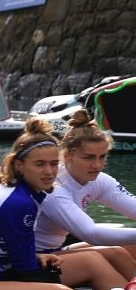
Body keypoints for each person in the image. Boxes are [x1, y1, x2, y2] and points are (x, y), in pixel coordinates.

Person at [0, 119, 123, 290]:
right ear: (19, 165)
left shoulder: (25, 193)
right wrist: (39, 265)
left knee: (98, 258)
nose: (49, 172)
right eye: (39, 164)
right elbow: (25, 268)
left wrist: (36, 256)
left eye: (54, 164)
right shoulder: (18, 202)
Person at [31, 109, 136, 279]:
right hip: (35, 257)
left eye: (102, 157)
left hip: (58, 250)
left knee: (122, 250)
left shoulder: (100, 180)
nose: (97, 165)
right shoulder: (53, 186)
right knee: (99, 258)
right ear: (67, 156)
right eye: (89, 158)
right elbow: (90, 233)